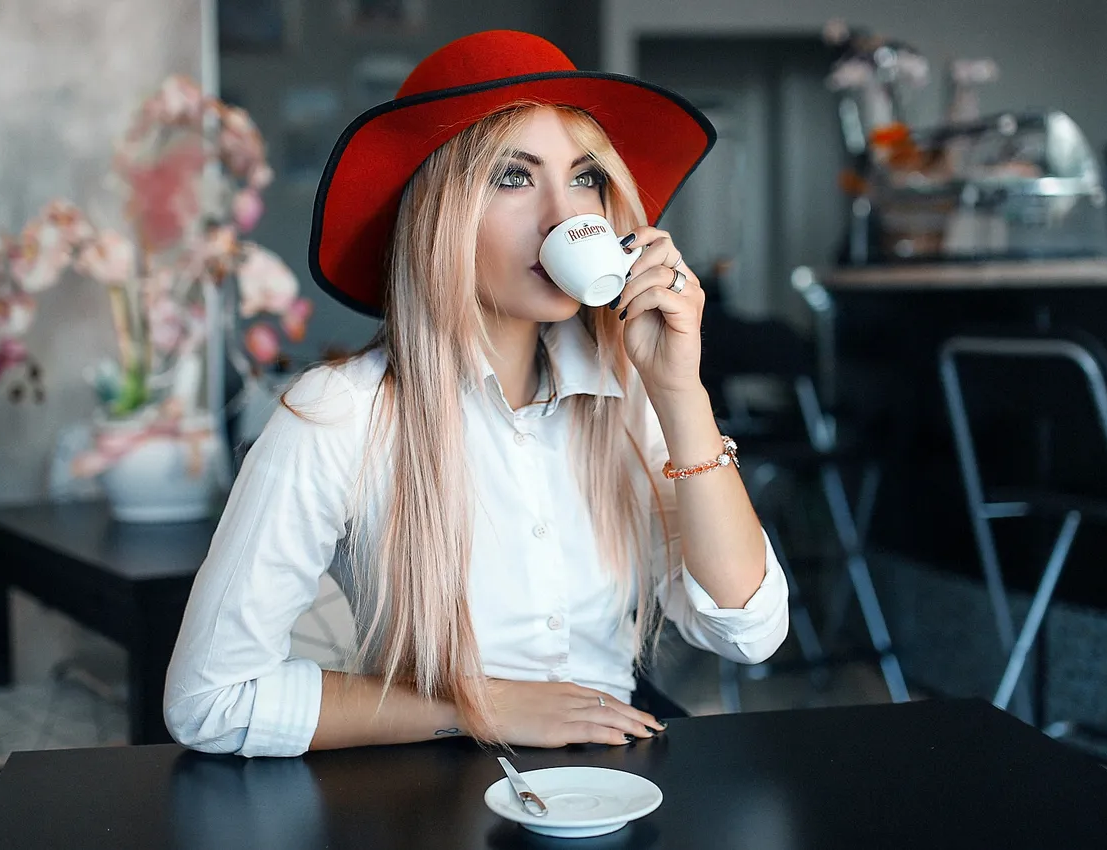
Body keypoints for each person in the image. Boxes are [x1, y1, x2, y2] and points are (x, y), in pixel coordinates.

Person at [163, 30, 790, 757]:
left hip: (618, 774)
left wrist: (681, 393)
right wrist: (482, 706)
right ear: (440, 216)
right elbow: (209, 699)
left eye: (585, 178)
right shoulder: (338, 414)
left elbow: (751, 632)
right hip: (426, 787)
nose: (565, 216)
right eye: (513, 178)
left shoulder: (633, 394)